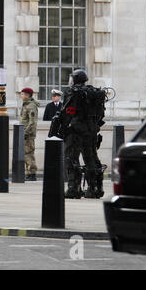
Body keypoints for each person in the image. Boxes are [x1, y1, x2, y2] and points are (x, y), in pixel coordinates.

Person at [50, 69, 106, 199]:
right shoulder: (94, 92)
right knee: (91, 158)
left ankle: (73, 189)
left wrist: (62, 128)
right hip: (91, 130)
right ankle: (94, 188)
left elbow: (68, 111)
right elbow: (101, 114)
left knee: (71, 158)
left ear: (75, 79)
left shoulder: (73, 92)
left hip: (76, 130)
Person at [20, 87, 40, 181]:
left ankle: (32, 174)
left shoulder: (31, 106)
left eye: (23, 94)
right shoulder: (26, 104)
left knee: (29, 153)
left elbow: (32, 122)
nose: (21, 95)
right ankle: (29, 173)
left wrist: (26, 132)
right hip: (24, 133)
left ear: (27, 95)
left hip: (28, 134)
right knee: (25, 154)